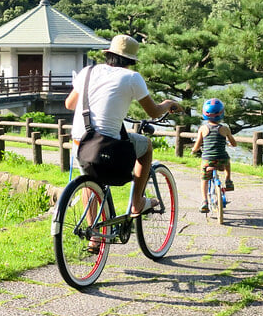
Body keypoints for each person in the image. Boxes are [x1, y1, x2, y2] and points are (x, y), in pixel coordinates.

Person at [65, 34, 180, 218]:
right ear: (132, 60)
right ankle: (138, 202)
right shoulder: (132, 77)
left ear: (108, 54)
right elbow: (153, 112)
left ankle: (94, 238)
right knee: (146, 146)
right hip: (107, 144)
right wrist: (167, 104)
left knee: (90, 181)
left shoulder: (87, 71)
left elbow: (69, 104)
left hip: (80, 141)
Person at [191, 97, 237, 213]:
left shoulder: (202, 129)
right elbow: (233, 143)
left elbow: (197, 145)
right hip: (222, 160)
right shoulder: (225, 129)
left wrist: (194, 150)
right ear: (221, 113)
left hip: (208, 160)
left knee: (204, 179)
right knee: (227, 161)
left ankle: (204, 201)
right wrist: (231, 144)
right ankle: (228, 180)